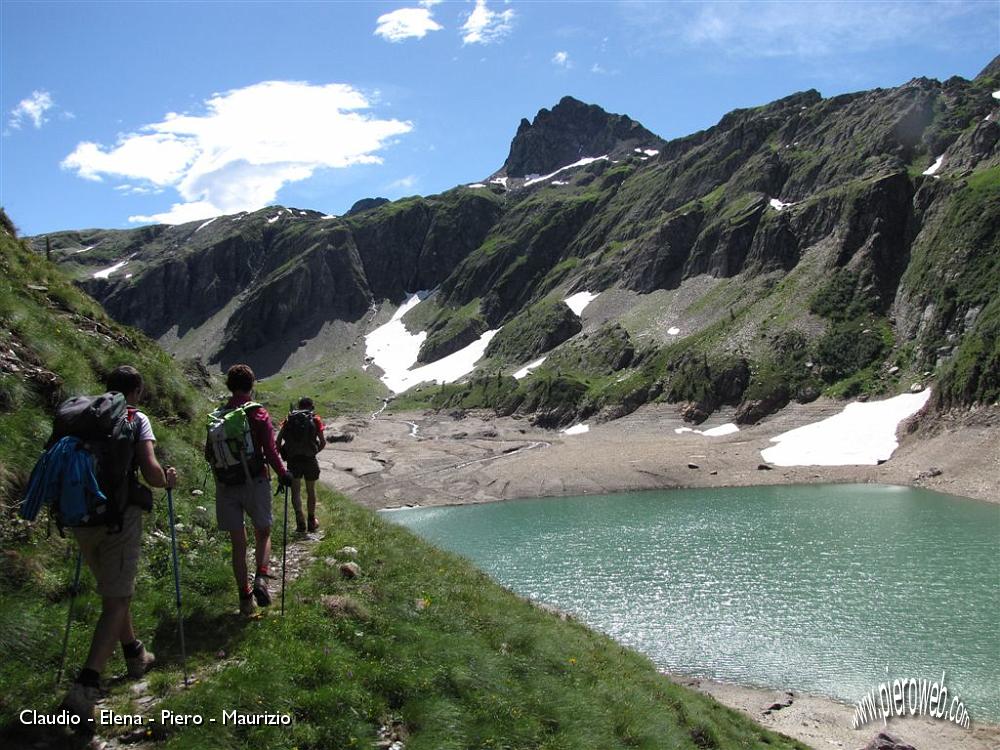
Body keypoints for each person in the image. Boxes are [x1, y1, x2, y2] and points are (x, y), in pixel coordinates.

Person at [61, 365, 178, 723]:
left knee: (113, 592)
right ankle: (87, 684)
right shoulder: (135, 418)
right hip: (118, 517)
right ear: (137, 391)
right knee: (118, 598)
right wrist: (167, 480)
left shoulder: (82, 415)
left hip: (79, 515)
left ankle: (134, 654)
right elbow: (150, 470)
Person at [212, 364, 292, 616]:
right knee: (263, 531)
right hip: (255, 482)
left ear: (229, 386)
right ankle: (261, 578)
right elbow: (270, 450)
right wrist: (283, 474)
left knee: (238, 544)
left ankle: (245, 599)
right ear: (252, 385)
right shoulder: (257, 413)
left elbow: (208, 453)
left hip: (226, 485)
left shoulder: (218, 416)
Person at [276, 397, 325, 533]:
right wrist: (314, 451)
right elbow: (323, 442)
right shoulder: (315, 419)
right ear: (311, 407)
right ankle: (311, 521)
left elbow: (278, 442)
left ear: (298, 406)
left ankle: (300, 522)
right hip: (310, 459)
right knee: (311, 490)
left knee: (295, 491)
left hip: (293, 460)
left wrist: (285, 454)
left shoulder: (289, 419)